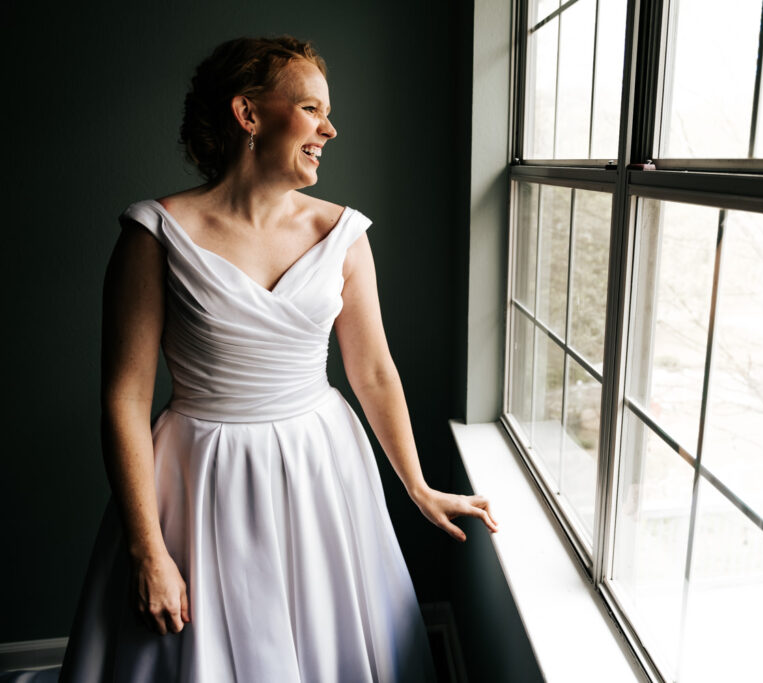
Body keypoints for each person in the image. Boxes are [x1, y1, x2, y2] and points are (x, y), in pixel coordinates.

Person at [59, 35, 497, 682]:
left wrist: (417, 484)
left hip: (324, 468)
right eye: (313, 109)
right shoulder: (153, 235)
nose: (330, 127)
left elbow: (373, 370)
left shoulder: (342, 233)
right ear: (249, 114)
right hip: (201, 474)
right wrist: (147, 548)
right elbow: (123, 398)